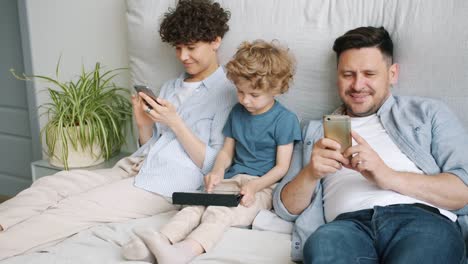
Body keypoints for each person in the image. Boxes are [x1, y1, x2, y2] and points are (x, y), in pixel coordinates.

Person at [0, 0, 237, 260]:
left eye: (191, 48)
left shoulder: (229, 93)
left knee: (73, 208)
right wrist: (143, 123)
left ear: (215, 41)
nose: (183, 56)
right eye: (178, 48)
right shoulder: (172, 85)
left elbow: (213, 165)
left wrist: (176, 123)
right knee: (55, 184)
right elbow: (151, 146)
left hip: (165, 183)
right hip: (135, 167)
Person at [273, 26, 468, 264]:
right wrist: (311, 173)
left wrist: (387, 176)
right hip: (344, 229)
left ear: (392, 74)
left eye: (369, 74)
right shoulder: (313, 131)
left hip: (421, 222)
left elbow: (463, 191)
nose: (357, 85)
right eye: (348, 74)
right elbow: (285, 208)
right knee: (322, 245)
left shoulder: (429, 113)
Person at [122, 40, 302, 264]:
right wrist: (216, 172)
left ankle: (184, 252)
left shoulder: (285, 120)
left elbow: (282, 167)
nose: (245, 100)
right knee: (193, 206)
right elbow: (226, 152)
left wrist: (254, 187)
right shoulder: (238, 112)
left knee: (218, 212)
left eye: (254, 95)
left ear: (277, 88)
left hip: (262, 187)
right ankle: (159, 242)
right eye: (240, 92)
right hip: (231, 179)